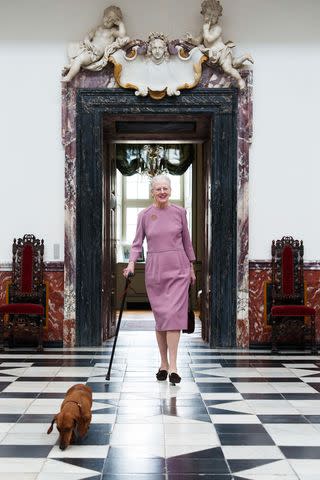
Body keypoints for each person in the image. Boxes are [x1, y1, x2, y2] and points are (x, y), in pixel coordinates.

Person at [123, 175, 196, 384]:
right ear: (152, 192)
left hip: (179, 269)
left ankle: (173, 366)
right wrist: (130, 264)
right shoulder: (145, 215)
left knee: (173, 316)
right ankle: (163, 362)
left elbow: (187, 242)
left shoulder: (180, 212)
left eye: (165, 188)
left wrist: (191, 266)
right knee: (162, 318)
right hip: (155, 271)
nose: (162, 192)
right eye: (158, 189)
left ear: (171, 190)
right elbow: (137, 244)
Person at [62, 5, 129, 82]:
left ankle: (69, 77)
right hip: (88, 48)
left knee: (78, 60)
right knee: (71, 46)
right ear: (103, 16)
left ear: (115, 23)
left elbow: (122, 35)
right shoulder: (97, 28)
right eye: (107, 17)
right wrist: (87, 41)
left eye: (112, 20)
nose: (108, 20)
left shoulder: (112, 31)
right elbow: (88, 36)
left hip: (95, 52)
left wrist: (120, 23)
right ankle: (72, 64)